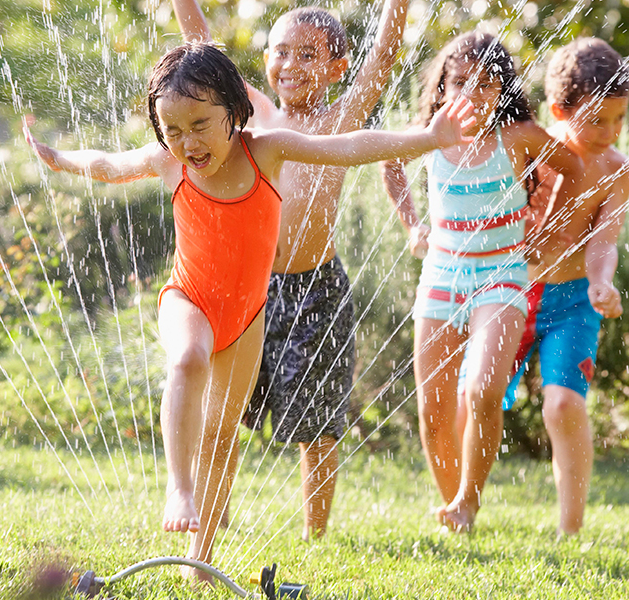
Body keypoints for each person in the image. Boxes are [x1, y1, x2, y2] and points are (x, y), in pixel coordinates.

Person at [27, 42, 475, 581]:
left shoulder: (267, 151)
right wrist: (59, 159)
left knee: (222, 436)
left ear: (234, 111)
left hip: (246, 318)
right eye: (172, 129)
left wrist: (428, 138)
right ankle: (178, 487)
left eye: (200, 124)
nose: (188, 142)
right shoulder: (168, 163)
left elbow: (350, 145)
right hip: (187, 299)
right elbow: (105, 164)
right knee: (188, 358)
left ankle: (200, 557)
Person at [173, 0, 410, 541]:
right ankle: (214, 516)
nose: (291, 64)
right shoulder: (249, 113)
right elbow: (200, 44)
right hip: (246, 290)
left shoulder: (339, 120)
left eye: (309, 54)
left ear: (336, 68)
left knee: (317, 423)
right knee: (221, 414)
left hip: (316, 291)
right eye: (281, 51)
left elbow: (385, 54)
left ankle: (314, 535)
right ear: (264, 58)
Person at [380, 31, 584, 533]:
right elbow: (389, 160)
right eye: (462, 83)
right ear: (443, 87)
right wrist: (412, 224)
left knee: (483, 391)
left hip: (502, 278)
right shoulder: (429, 134)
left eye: (488, 85)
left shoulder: (519, 139)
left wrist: (548, 228)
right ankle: (454, 509)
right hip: (442, 276)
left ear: (503, 90)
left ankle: (469, 500)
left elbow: (574, 169)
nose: (474, 94)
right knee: (433, 406)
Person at [492, 38, 627, 534]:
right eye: (597, 120)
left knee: (564, 403)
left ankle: (570, 528)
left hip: (572, 300)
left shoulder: (616, 169)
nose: (610, 133)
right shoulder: (532, 153)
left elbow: (603, 240)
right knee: (480, 395)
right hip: (510, 293)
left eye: (620, 120)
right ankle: (463, 502)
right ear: (558, 111)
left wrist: (601, 282)